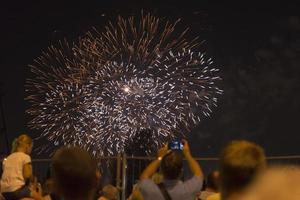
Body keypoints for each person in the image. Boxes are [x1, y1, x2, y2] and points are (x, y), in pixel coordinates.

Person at [138, 139, 203, 200]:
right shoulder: (189, 190)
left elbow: (144, 177)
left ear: (162, 170)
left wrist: (160, 158)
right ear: (181, 172)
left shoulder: (151, 190)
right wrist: (187, 154)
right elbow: (199, 174)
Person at [0, 134, 42, 200]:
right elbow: (27, 175)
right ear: (27, 146)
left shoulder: (8, 158)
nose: (31, 150)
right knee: (39, 198)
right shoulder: (25, 157)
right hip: (16, 190)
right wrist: (33, 182)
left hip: (3, 191)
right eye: (31, 147)